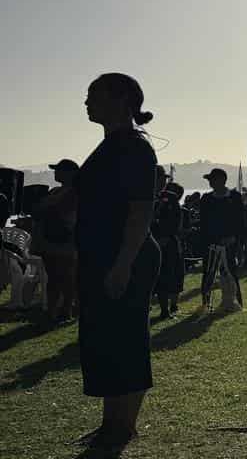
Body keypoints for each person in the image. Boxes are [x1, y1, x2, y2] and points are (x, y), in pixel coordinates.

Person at [73, 72, 162, 451]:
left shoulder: (135, 149)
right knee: (103, 337)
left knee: (125, 336)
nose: (87, 102)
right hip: (102, 254)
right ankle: (111, 422)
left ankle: (123, 425)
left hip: (126, 254)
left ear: (121, 99)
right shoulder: (108, 147)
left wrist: (123, 263)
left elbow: (140, 212)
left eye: (94, 94)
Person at [36, 158, 80, 323]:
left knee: (65, 278)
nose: (55, 173)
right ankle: (54, 310)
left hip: (66, 241)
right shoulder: (56, 191)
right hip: (51, 241)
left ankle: (65, 310)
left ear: (70, 174)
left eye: (59, 170)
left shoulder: (75, 193)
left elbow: (55, 211)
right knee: (54, 277)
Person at [198, 169, 244, 312]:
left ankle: (236, 302)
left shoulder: (235, 197)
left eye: (212, 179)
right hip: (211, 243)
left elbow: (240, 220)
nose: (210, 182)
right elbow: (203, 222)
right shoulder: (206, 199)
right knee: (208, 273)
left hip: (230, 242)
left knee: (231, 271)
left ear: (221, 180)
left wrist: (234, 238)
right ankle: (206, 303)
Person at [151, 174, 185, 319]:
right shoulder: (144, 195)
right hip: (150, 240)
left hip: (170, 240)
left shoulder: (171, 197)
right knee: (158, 277)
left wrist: (168, 235)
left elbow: (177, 219)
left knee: (174, 272)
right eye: (158, 179)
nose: (161, 182)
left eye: (163, 179)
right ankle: (164, 308)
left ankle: (172, 305)